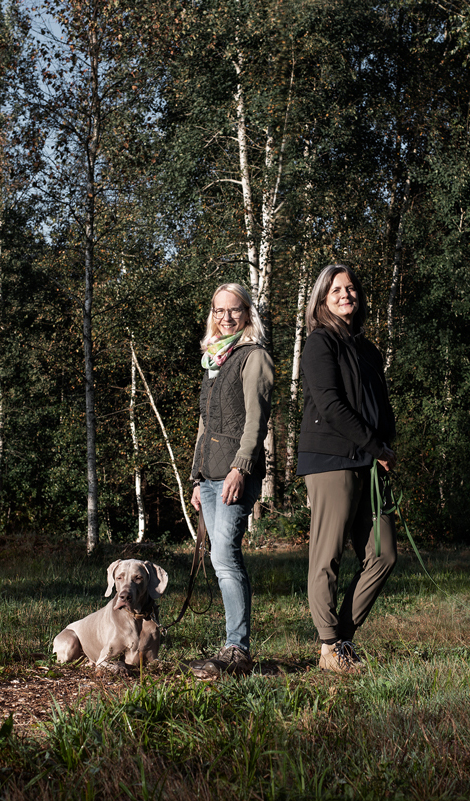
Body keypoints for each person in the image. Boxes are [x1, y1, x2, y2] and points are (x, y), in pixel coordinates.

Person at [297, 264, 397, 672]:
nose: (345, 294)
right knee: (328, 557)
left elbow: (379, 405)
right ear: (322, 298)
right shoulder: (320, 342)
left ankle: (342, 638)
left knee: (384, 554)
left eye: (351, 287)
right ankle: (329, 646)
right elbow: (331, 406)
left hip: (370, 460)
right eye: (336, 289)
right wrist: (376, 446)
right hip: (331, 460)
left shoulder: (367, 349)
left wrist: (385, 446)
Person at [188, 283, 274, 678]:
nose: (226, 317)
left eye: (234, 310)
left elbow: (256, 422)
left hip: (235, 473)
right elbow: (204, 425)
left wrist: (240, 468)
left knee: (225, 556)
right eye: (219, 310)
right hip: (208, 474)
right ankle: (232, 644)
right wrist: (195, 476)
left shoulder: (254, 357)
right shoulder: (213, 359)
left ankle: (238, 649)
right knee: (219, 557)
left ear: (247, 313)